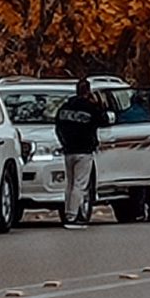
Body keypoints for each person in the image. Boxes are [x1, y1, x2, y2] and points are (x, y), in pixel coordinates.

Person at [53, 76, 111, 226]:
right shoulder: (91, 108)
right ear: (88, 91)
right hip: (84, 151)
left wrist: (63, 142)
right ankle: (72, 215)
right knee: (80, 184)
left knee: (70, 183)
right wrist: (99, 105)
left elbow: (58, 126)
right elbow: (104, 120)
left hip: (68, 150)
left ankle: (67, 211)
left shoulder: (65, 107)